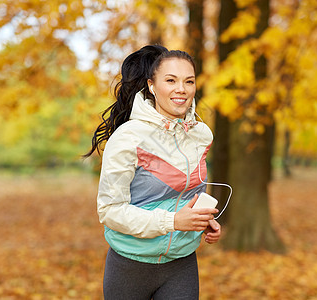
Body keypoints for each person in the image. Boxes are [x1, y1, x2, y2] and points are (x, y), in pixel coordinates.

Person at [85, 45, 221, 299]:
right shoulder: (128, 137)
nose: (181, 88)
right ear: (151, 85)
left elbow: (184, 197)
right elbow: (110, 211)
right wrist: (172, 222)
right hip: (130, 267)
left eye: (189, 81)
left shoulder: (201, 135)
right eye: (170, 80)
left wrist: (201, 221)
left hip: (181, 264)